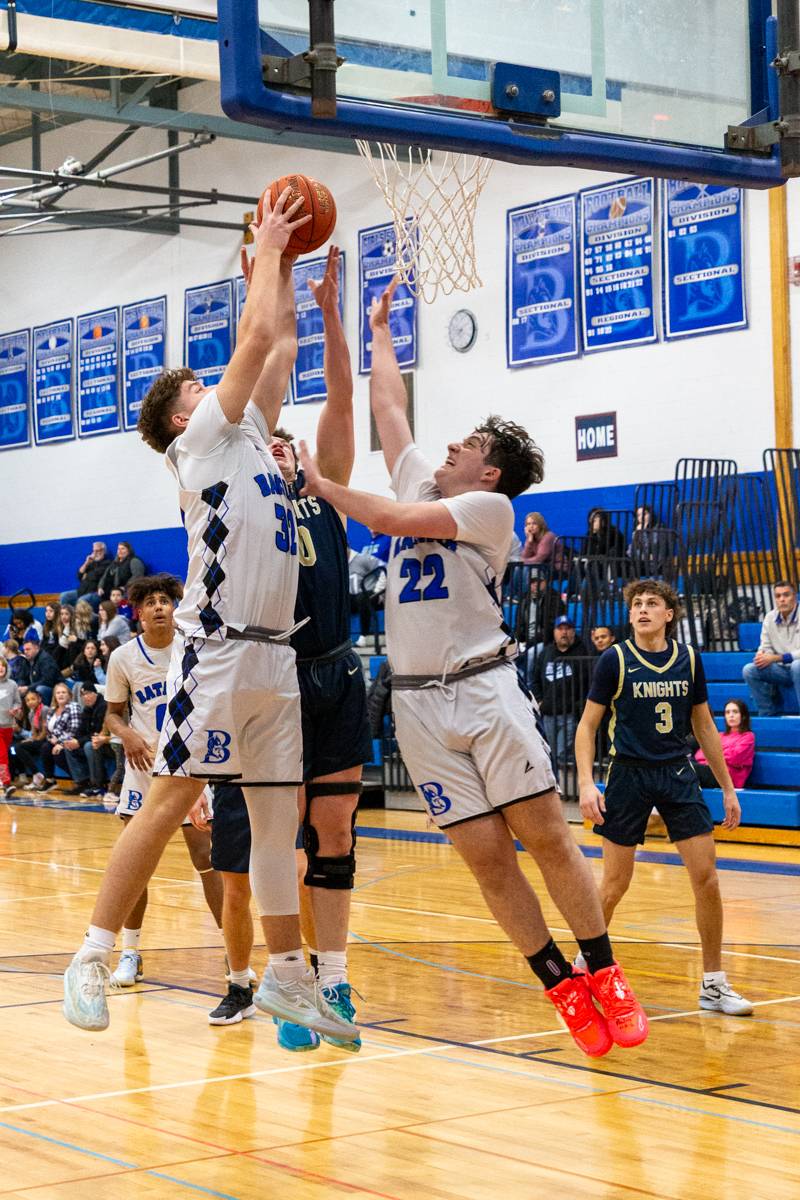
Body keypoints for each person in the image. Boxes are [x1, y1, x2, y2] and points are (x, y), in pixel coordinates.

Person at [294, 277, 648, 1059]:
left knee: (546, 837)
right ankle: (560, 982)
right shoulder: (428, 479)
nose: (452, 446)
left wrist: (319, 484)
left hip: (485, 687)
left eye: (470, 447)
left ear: (489, 474)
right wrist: (377, 330)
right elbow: (389, 408)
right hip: (418, 708)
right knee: (486, 859)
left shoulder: (491, 513)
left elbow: (386, 518)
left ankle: (606, 971)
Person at [63, 189, 355, 1043]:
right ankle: (90, 954)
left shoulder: (253, 436)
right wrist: (265, 248)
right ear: (183, 416)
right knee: (167, 801)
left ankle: (290, 977)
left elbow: (281, 341)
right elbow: (257, 340)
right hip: (218, 652)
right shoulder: (197, 446)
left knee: (275, 822)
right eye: (201, 382)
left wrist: (285, 267)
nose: (218, 379)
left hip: (276, 658)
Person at [210, 244, 372, 1048]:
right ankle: (291, 980)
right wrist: (261, 292)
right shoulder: (242, 484)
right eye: (271, 439)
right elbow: (266, 366)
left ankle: (335, 980)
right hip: (272, 671)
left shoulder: (327, 489)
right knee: (287, 835)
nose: (281, 446)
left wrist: (334, 316)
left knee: (336, 830)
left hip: (335, 672)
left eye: (288, 443)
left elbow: (340, 395)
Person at [575, 578, 752, 1016]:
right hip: (627, 776)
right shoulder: (614, 660)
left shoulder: (689, 660)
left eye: (652, 603)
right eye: (636, 604)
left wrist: (728, 788)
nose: (642, 609)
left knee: (707, 879)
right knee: (615, 885)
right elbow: (586, 727)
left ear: (669, 614)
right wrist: (584, 783)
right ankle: (583, 969)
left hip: (677, 774)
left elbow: (704, 726)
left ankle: (713, 983)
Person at [102, 573, 224, 985]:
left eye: (164, 601)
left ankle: (232, 949)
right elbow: (112, 715)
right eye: (150, 602)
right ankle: (130, 952)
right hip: (142, 771)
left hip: (188, 767)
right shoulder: (123, 658)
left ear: (175, 608)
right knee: (136, 865)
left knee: (207, 859)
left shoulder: (192, 649)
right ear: (137, 613)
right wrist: (128, 735)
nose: (158, 607)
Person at [532, 616, 590, 773]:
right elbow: (535, 679)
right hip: (549, 714)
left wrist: (578, 705)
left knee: (561, 754)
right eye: (560, 629)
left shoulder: (582, 651)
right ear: (554, 632)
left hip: (569, 714)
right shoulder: (546, 653)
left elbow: (588, 682)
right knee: (550, 754)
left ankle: (564, 788)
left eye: (568, 628)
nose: (564, 632)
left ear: (573, 631)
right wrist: (540, 701)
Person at [742, 580, 800, 715]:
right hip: (780, 670)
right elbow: (765, 646)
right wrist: (761, 655)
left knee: (797, 665)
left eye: (786, 595)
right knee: (749, 670)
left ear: (795, 596)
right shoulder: (770, 617)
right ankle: (767, 714)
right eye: (778, 596)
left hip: (797, 666)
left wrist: (777, 658)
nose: (782, 599)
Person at [17, 680, 83, 791]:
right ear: (54, 696)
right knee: (45, 747)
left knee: (56, 752)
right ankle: (49, 780)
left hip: (71, 740)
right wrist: (52, 739)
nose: (61, 695)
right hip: (54, 741)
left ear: (69, 695)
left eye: (63, 692)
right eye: (58, 693)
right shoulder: (52, 710)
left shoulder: (73, 707)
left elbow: (74, 730)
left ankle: (81, 781)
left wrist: (60, 743)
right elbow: (48, 731)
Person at [693, 699, 755, 789]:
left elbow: (735, 757)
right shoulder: (720, 735)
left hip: (728, 778)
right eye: (727, 712)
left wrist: (714, 754)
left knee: (690, 769)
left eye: (735, 712)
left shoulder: (748, 736)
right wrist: (724, 752)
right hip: (710, 771)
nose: (731, 715)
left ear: (743, 716)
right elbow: (699, 755)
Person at [60, 540, 110, 609]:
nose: (96, 553)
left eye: (98, 551)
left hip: (95, 593)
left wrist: (86, 575)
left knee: (82, 600)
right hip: (81, 591)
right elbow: (79, 575)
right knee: (64, 596)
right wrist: (86, 563)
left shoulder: (108, 563)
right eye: (94, 551)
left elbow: (95, 576)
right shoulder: (91, 563)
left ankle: (79, 618)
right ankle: (67, 617)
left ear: (103, 551)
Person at [0, 657, 22, 793]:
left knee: (3, 754)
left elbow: (18, 702)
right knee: (2, 755)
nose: (0, 668)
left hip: (8, 726)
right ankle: (6, 783)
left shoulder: (12, 684)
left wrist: (15, 709)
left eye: (2, 665)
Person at [19, 637, 61, 704]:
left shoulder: (45, 659)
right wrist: (20, 687)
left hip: (53, 689)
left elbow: (47, 681)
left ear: (37, 648)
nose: (25, 652)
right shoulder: (26, 660)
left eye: (28, 649)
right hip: (33, 687)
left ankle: (45, 712)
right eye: (24, 650)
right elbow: (22, 677)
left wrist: (28, 688)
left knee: (40, 689)